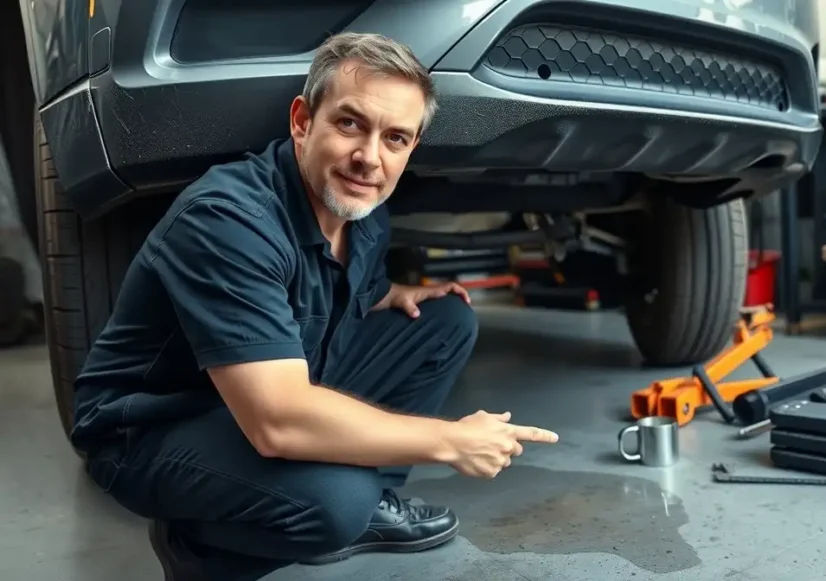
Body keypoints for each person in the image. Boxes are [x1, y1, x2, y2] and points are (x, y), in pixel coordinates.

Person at [69, 32, 559, 581]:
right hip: (152, 429)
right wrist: (449, 440)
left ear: (411, 150)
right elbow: (277, 420)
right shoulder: (227, 219)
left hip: (257, 393)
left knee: (444, 323)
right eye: (350, 123)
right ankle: (201, 544)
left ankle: (372, 500)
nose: (368, 157)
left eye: (395, 138)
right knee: (335, 504)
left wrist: (389, 294)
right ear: (302, 121)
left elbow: (332, 295)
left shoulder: (362, 213)